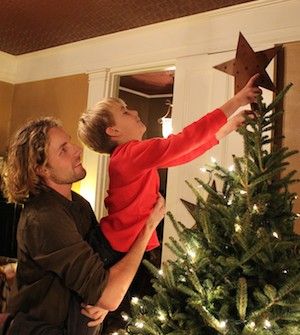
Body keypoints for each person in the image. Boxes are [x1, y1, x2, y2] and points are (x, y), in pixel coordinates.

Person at [1, 118, 165, 335]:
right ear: (41, 169)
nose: (77, 150)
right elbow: (108, 294)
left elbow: (100, 270)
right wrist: (147, 227)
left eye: (70, 142)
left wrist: (100, 300)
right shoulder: (45, 219)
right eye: (63, 149)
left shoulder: (78, 204)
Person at [77, 74, 261, 264]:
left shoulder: (132, 158)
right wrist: (237, 101)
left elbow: (184, 154)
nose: (134, 112)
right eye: (124, 112)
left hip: (122, 246)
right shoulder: (130, 154)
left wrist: (229, 126)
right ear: (113, 131)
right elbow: (185, 140)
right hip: (116, 248)